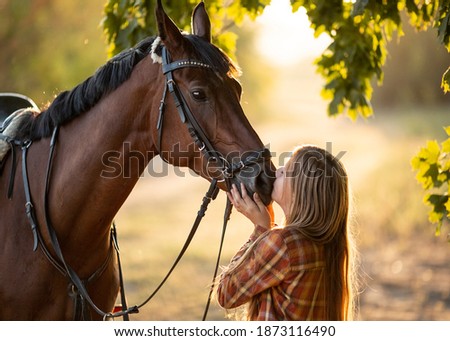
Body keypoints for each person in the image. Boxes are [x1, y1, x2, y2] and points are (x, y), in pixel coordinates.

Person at [216, 144, 359, 320]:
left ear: (300, 191)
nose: (277, 171)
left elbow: (226, 293)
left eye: (285, 171)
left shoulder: (283, 243)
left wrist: (260, 230)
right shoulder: (329, 243)